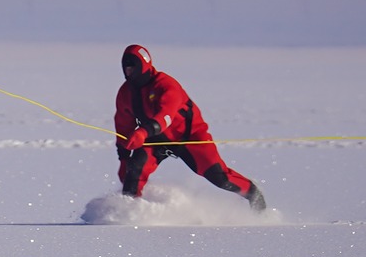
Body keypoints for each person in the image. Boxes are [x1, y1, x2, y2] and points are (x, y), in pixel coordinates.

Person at [113, 44, 266, 211]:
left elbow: (166, 116)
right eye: (126, 68)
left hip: (190, 137)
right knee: (134, 170)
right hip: (155, 140)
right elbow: (123, 124)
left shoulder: (166, 85)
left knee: (219, 177)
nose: (128, 72)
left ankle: (253, 194)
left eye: (133, 67)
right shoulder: (125, 93)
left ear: (143, 66)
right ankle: (128, 213)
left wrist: (143, 132)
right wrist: (123, 157)